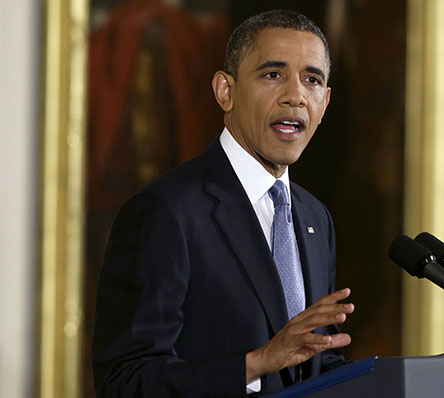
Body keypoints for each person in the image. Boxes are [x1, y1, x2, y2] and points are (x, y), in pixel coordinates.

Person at [92, 10, 354, 397]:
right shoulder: (165, 212)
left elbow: (314, 363)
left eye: (312, 80)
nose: (296, 95)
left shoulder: (315, 216)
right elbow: (125, 382)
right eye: (273, 75)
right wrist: (255, 364)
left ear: (326, 102)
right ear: (225, 91)